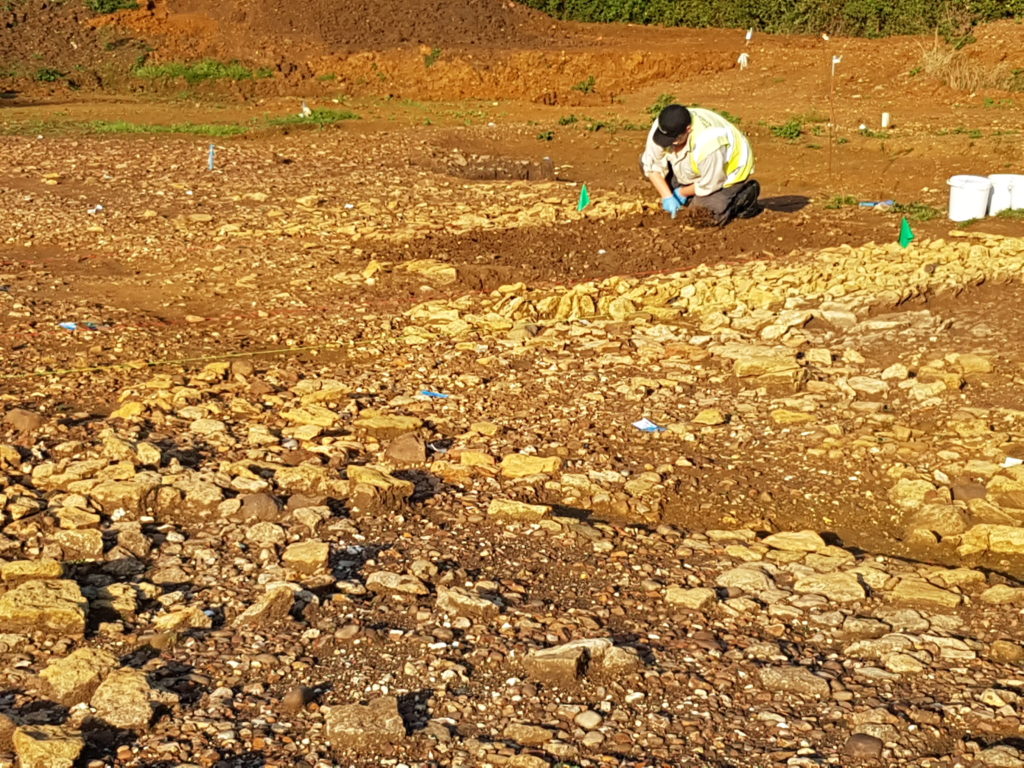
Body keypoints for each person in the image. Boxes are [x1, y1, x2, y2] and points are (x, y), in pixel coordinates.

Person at [640, 103, 762, 225]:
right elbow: (651, 164)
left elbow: (709, 184)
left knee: (704, 215)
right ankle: (690, 195)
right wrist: (667, 196)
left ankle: (742, 196)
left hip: (724, 176)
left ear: (688, 129)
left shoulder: (709, 144)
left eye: (674, 140)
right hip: (694, 168)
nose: (669, 143)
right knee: (644, 162)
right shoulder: (663, 125)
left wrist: (681, 193)